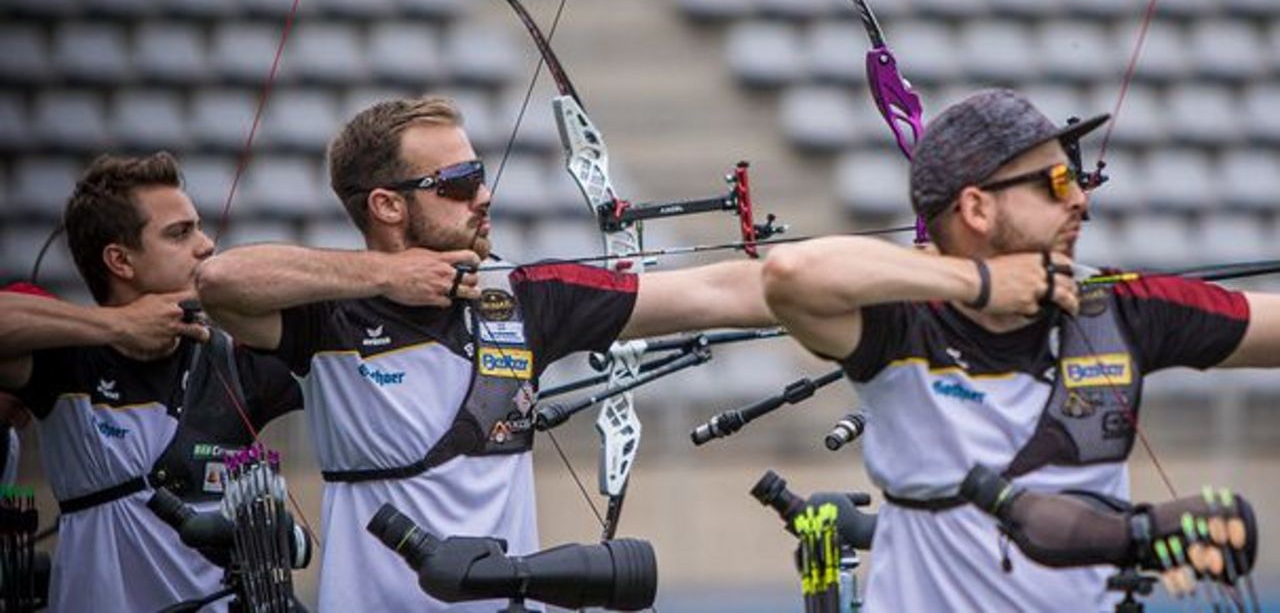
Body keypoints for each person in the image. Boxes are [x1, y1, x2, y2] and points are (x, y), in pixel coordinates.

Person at [196, 95, 776, 612]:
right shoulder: (326, 315)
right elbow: (220, 281)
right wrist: (388, 274)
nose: (484, 194)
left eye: (480, 175)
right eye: (460, 180)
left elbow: (719, 292)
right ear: (387, 205)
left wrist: (852, 279)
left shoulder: (523, 298)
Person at [762, 89, 1280, 611]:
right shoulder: (904, 320)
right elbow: (791, 274)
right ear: (977, 208)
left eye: (1075, 179)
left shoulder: (1119, 308)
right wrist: (981, 282)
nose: (1080, 197)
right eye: (1056, 182)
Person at [0, 153, 303, 612]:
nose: (205, 245)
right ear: (120, 260)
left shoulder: (238, 361)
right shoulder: (68, 361)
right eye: (179, 233)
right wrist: (118, 326)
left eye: (199, 227)